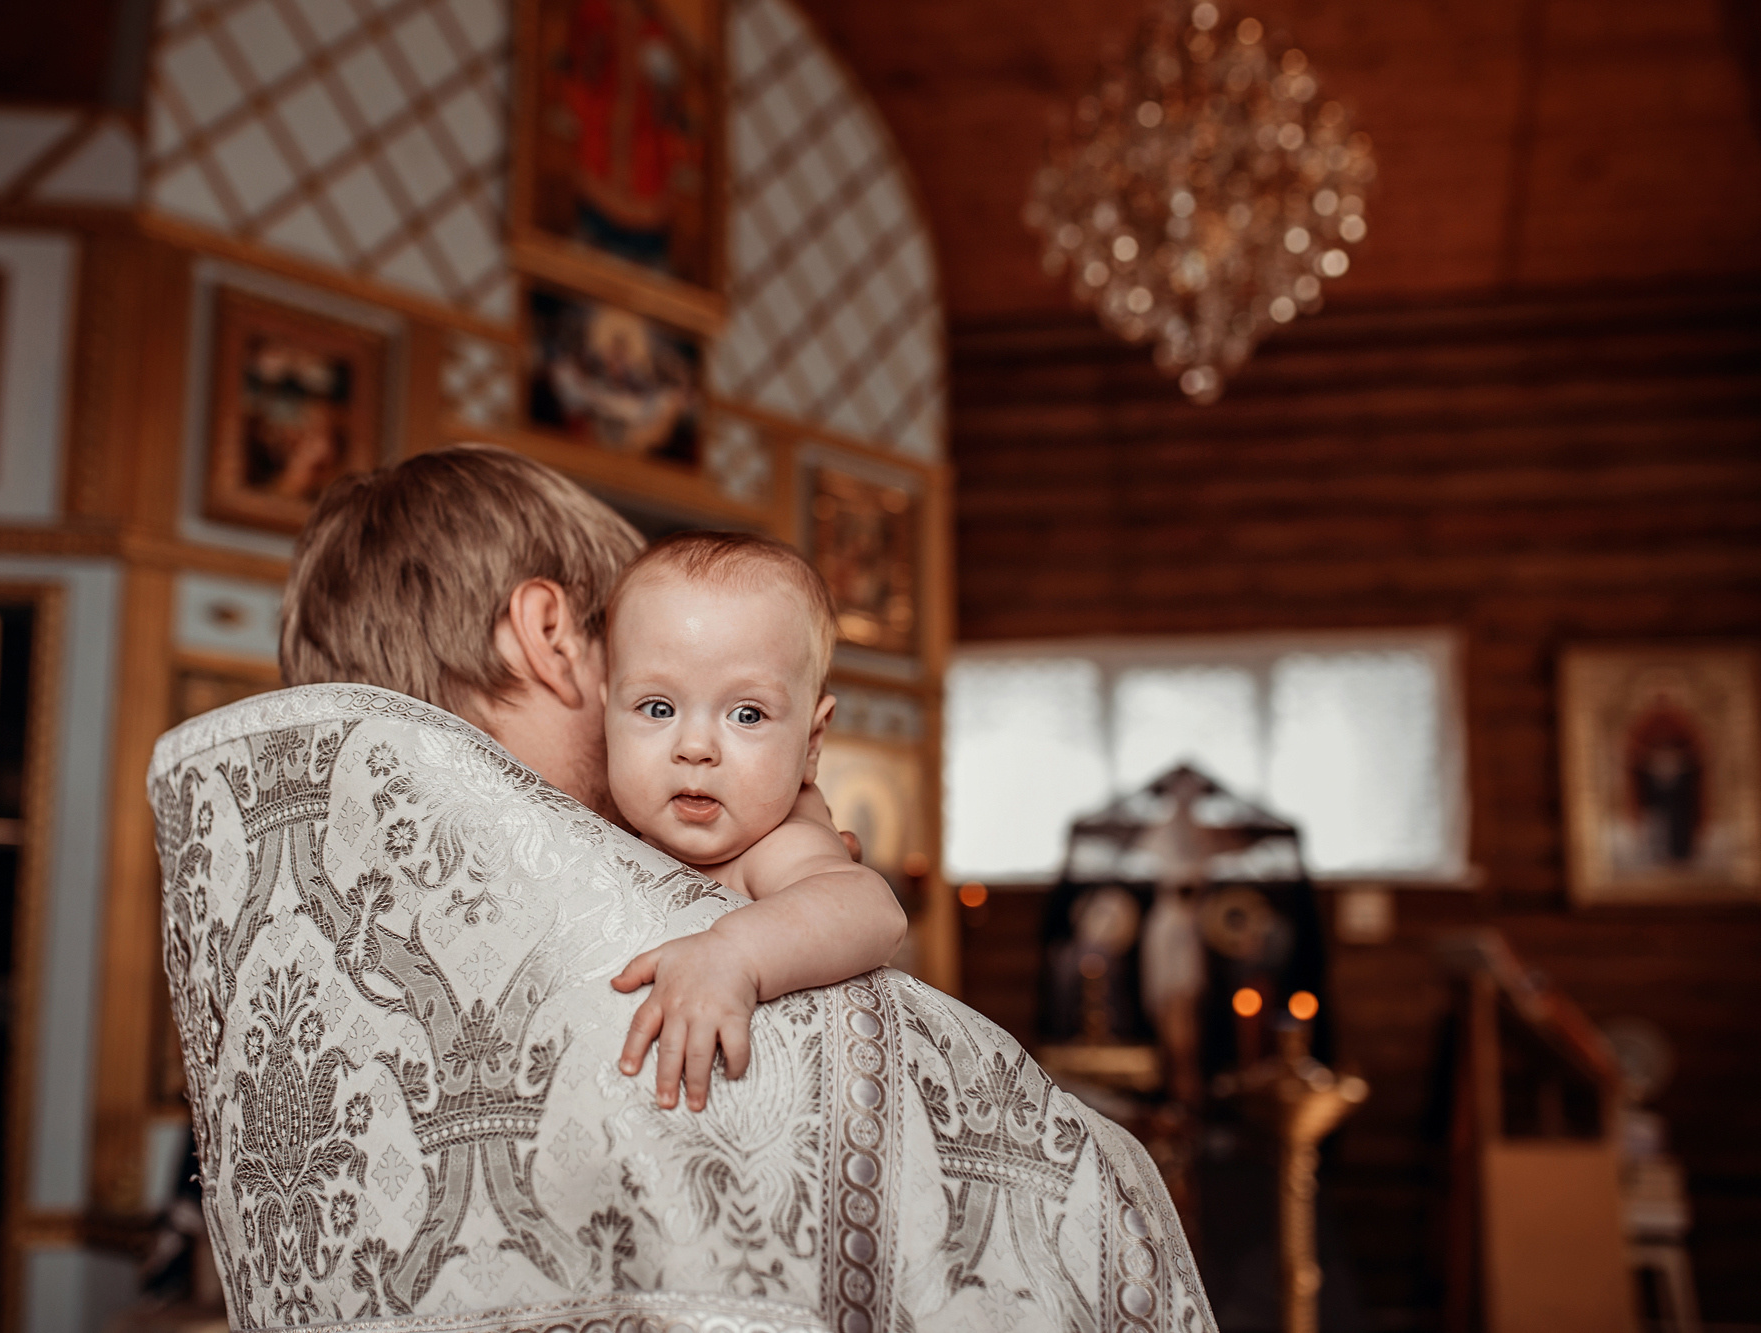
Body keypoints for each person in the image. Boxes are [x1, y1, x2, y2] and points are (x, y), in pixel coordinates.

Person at [152, 443, 1214, 1329]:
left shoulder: (297, 1013)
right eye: (648, 688)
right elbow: (1079, 1227)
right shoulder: (725, 994)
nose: (690, 746)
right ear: (554, 638)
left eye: (742, 711)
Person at [601, 533, 909, 1111]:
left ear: (812, 741)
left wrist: (736, 953)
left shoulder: (780, 841)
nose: (695, 747)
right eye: (658, 708)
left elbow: (873, 908)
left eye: (747, 714)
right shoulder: (615, 830)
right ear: (606, 712)